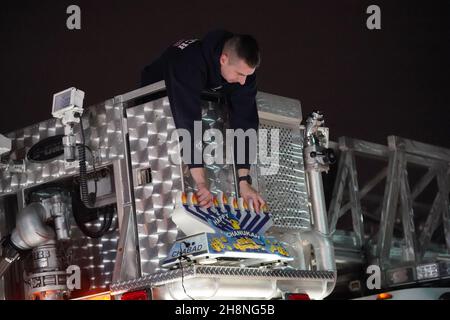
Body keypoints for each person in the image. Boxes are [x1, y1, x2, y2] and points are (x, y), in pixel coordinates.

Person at [140, 29, 265, 212]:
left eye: (248, 75)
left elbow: (245, 123)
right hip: (156, 102)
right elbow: (188, 121)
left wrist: (244, 182)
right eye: (240, 74)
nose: (243, 81)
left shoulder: (244, 74)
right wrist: (200, 182)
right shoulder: (188, 62)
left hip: (198, 91)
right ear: (223, 59)